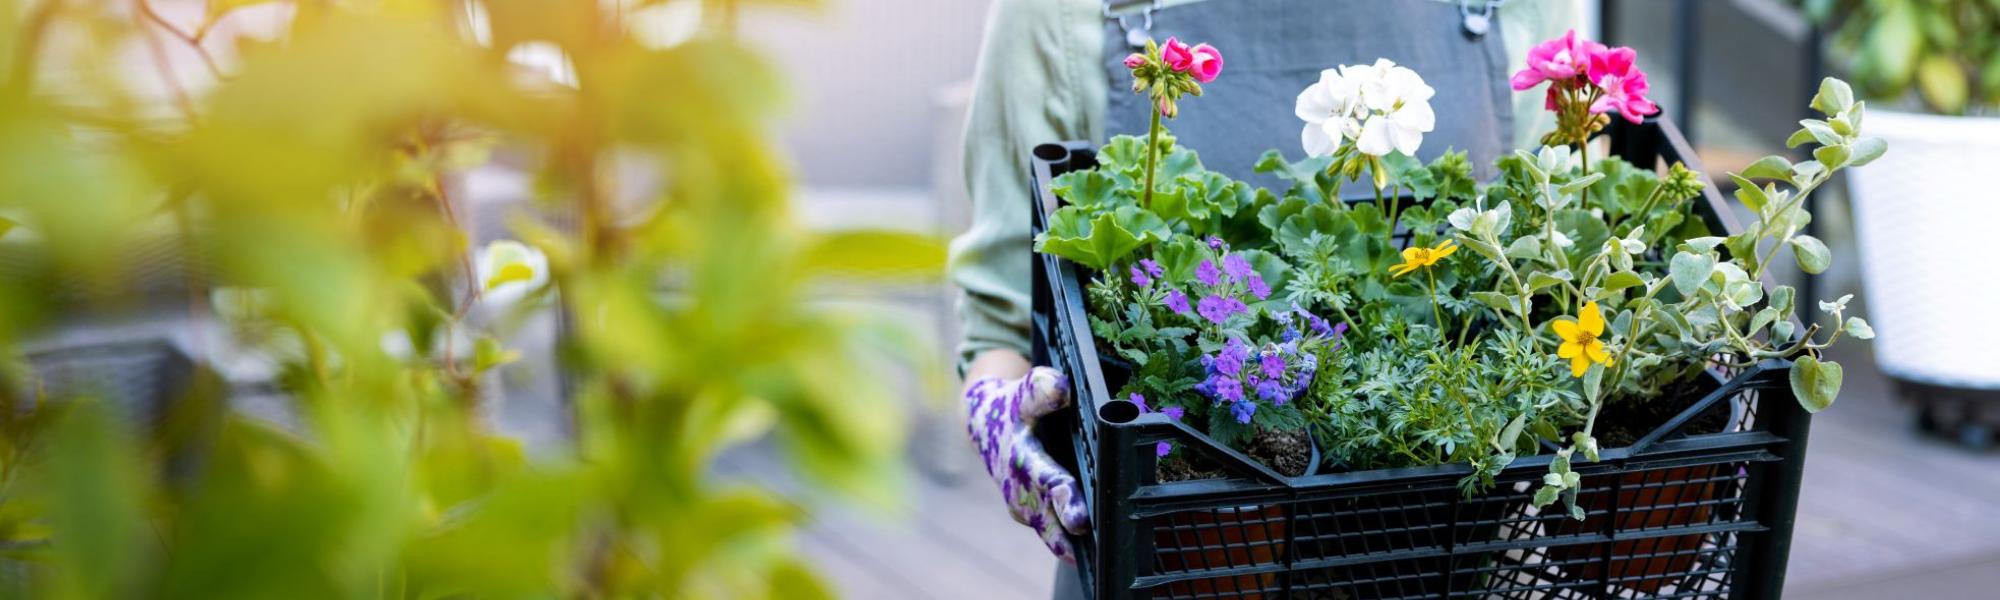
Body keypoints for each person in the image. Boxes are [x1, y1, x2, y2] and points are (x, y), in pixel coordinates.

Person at [950, 0, 1584, 596]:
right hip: (1169, 551)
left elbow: (1558, 218)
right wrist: (997, 413)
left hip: (1446, 545)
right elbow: (1002, 318)